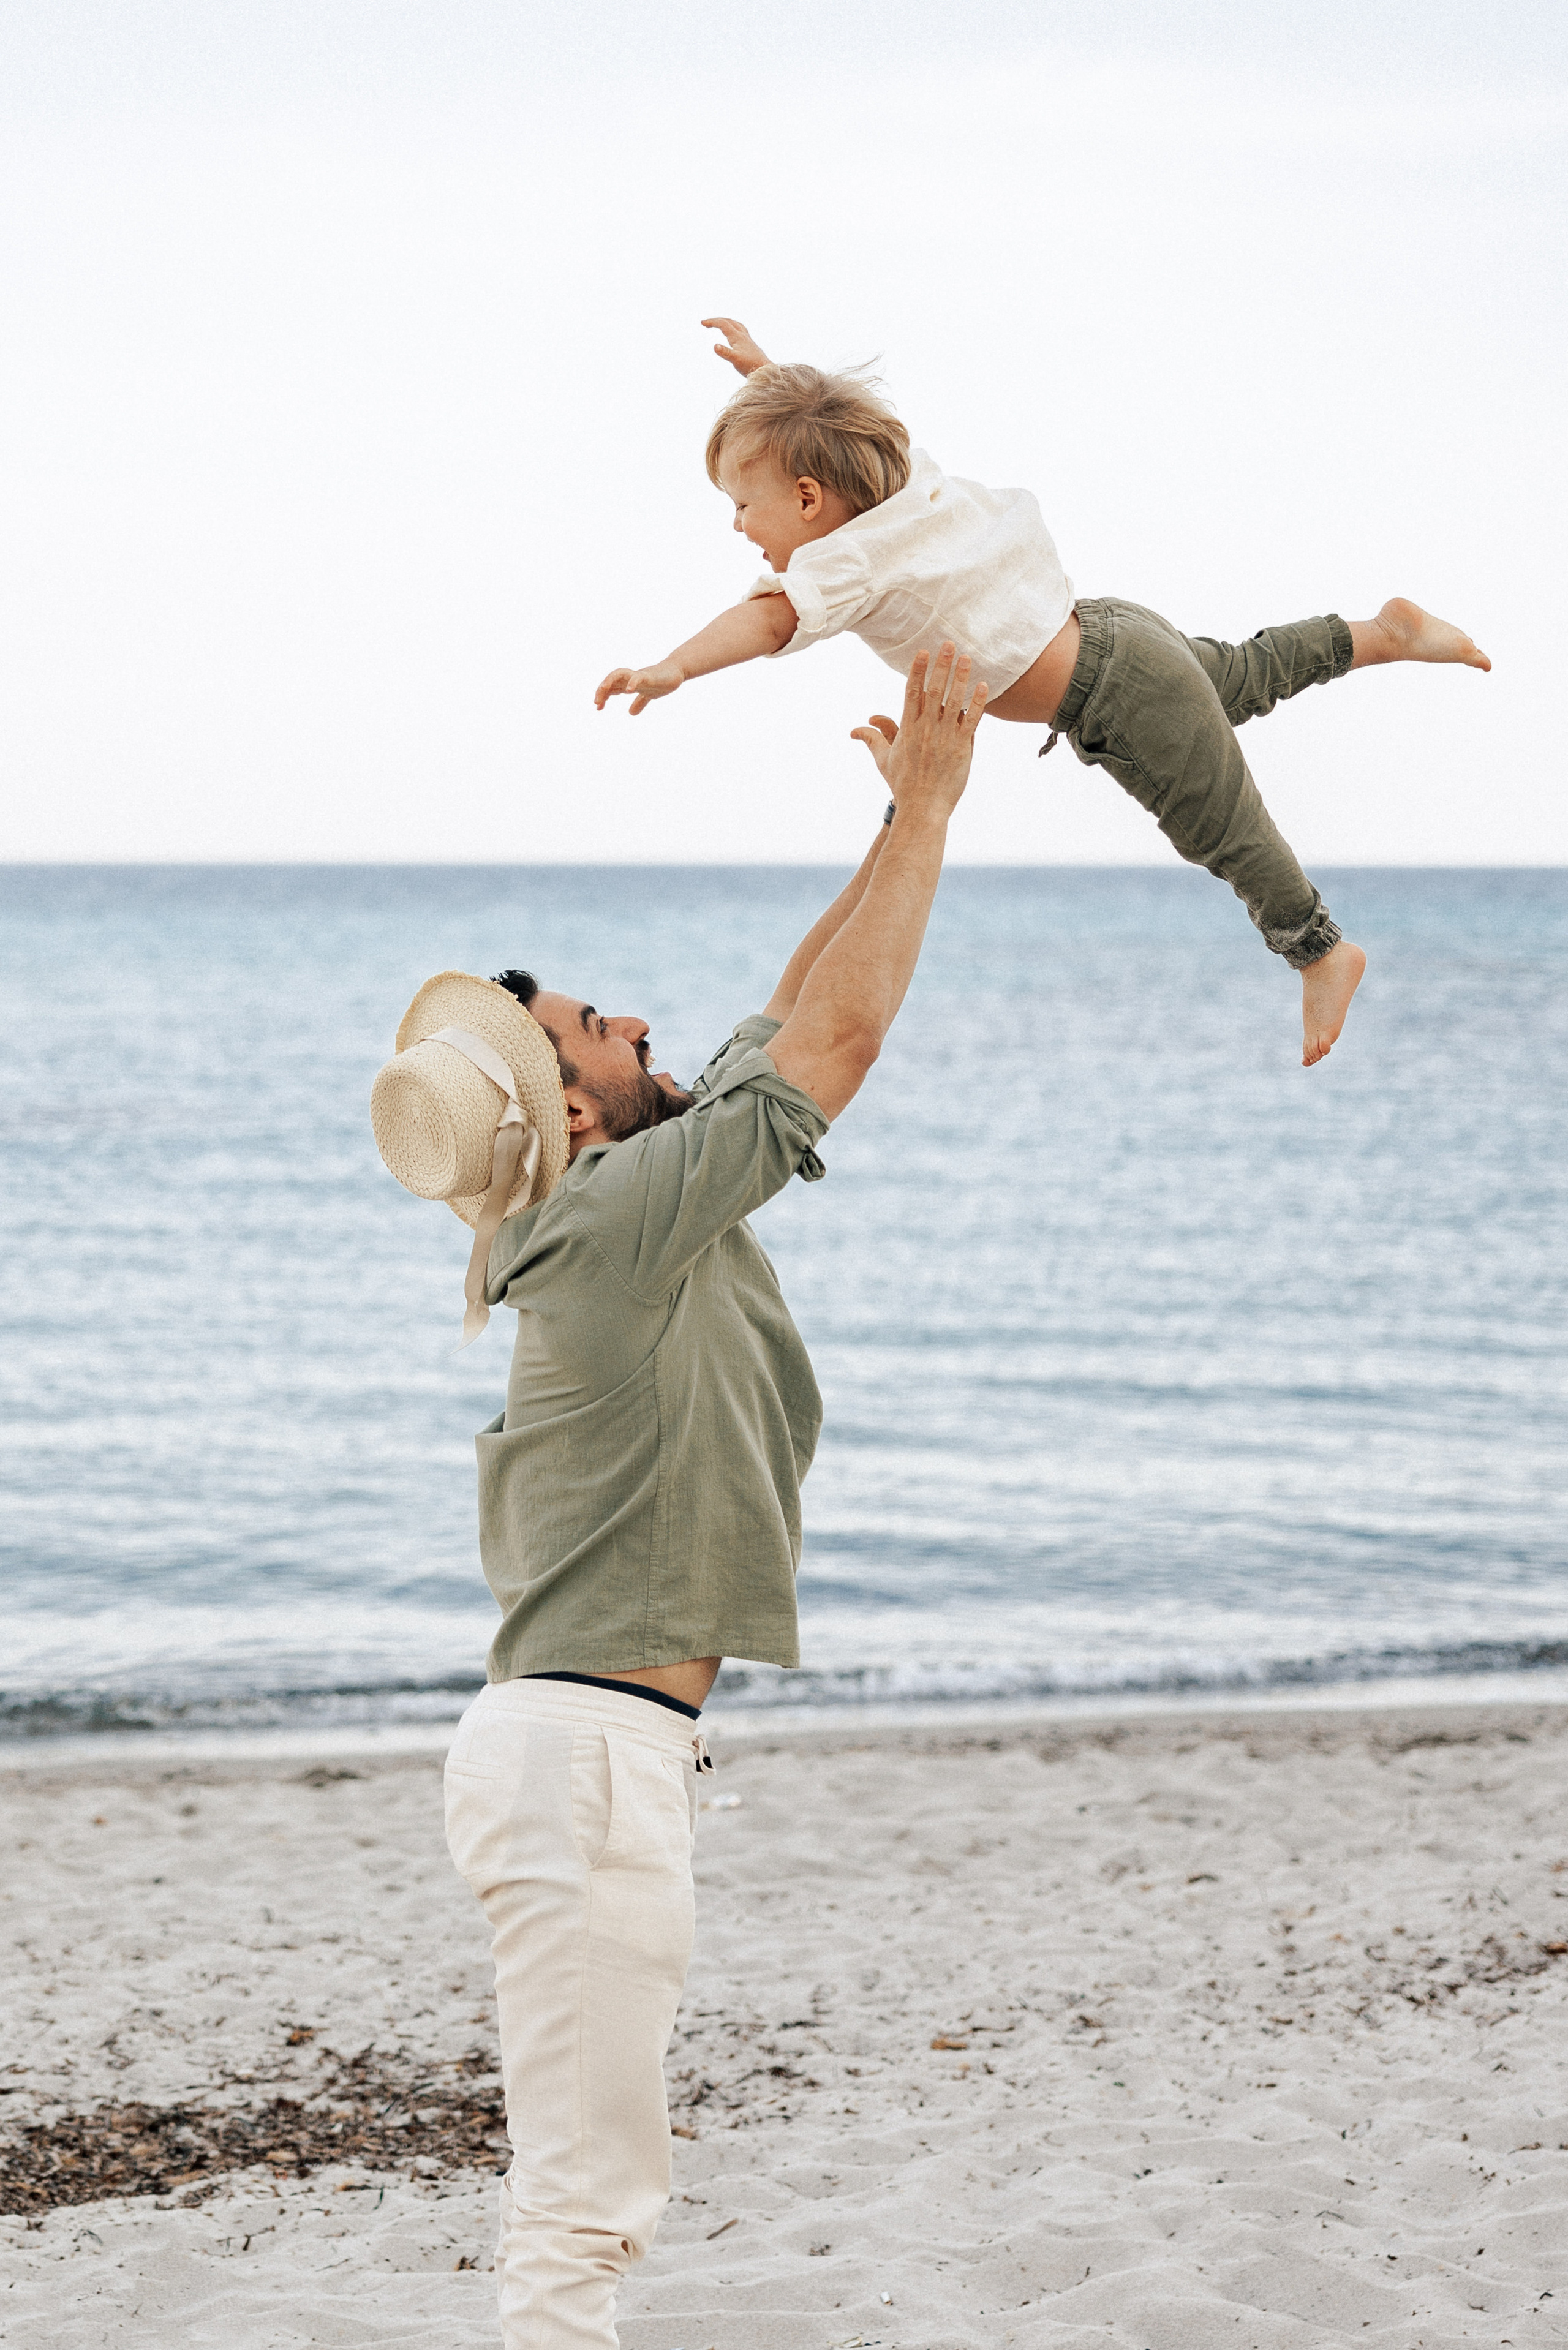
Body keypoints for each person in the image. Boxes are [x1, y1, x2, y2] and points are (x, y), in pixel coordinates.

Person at [371, 643, 986, 2348]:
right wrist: (939, 799)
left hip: (595, 1756)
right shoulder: (612, 1219)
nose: (638, 1017)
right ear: (574, 1104)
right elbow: (842, 1040)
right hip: (583, 1764)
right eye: (598, 1022)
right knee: (583, 2208)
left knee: (589, 2194)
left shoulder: (616, 1200)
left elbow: (789, 1021)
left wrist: (892, 818)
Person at [595, 317, 1493, 1069]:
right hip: (1111, 632)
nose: (739, 527)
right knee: (1240, 677)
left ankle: (1321, 951)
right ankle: (1381, 634)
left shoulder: (844, 561)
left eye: (744, 505)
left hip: (1114, 695)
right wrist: (768, 378)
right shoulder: (903, 484)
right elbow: (830, 427)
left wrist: (676, 665)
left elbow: (770, 621)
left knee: (1219, 825)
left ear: (807, 497)